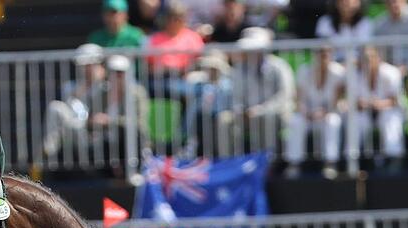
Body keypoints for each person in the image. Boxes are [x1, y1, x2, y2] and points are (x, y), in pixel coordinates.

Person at [220, 27, 294, 156]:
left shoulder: (279, 67)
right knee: (224, 119)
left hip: (275, 113)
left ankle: (268, 161)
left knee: (268, 118)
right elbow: (235, 96)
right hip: (247, 114)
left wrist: (260, 110)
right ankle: (231, 161)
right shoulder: (239, 69)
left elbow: (284, 96)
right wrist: (241, 110)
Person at [284, 46, 345, 178]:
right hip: (307, 113)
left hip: (329, 113)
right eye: (320, 54)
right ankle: (294, 164)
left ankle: (330, 163)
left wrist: (324, 112)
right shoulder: (303, 71)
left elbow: (337, 99)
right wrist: (306, 112)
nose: (323, 57)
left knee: (332, 122)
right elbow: (298, 98)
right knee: (296, 121)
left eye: (326, 54)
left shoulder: (339, 73)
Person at [87, 54, 150, 171]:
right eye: (114, 72)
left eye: (121, 72)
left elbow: (139, 122)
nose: (117, 76)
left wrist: (110, 121)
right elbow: (91, 119)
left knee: (128, 133)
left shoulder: (137, 93)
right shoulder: (101, 93)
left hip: (129, 140)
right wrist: (93, 122)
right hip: (105, 140)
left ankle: (131, 172)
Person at [345, 45, 405, 169]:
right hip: (364, 112)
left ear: (378, 58)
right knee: (355, 121)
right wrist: (365, 103)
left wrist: (378, 104)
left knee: (390, 119)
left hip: (388, 110)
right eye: (365, 58)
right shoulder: (355, 75)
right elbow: (353, 102)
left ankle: (394, 162)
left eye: (371, 57)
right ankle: (351, 162)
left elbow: (394, 101)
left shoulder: (391, 73)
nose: (368, 61)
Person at [43, 43, 106, 159]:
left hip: (95, 133)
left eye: (90, 64)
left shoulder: (106, 87)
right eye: (84, 65)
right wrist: (87, 85)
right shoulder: (70, 86)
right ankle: (48, 154)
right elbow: (68, 108)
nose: (87, 69)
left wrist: (98, 81)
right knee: (54, 107)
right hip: (73, 129)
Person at [147, 2, 205, 75]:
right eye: (171, 18)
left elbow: (199, 60)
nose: (174, 22)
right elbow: (149, 66)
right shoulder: (155, 39)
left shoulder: (193, 37)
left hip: (187, 78)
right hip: (161, 80)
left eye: (178, 19)